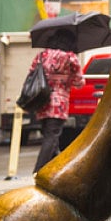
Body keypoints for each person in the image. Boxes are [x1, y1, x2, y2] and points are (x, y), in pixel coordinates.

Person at [30, 32, 84, 173]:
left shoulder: (42, 56)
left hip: (42, 102)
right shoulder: (70, 57)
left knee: (50, 135)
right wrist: (65, 80)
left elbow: (31, 73)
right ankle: (38, 170)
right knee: (51, 136)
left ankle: (60, 169)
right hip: (58, 104)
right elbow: (79, 82)